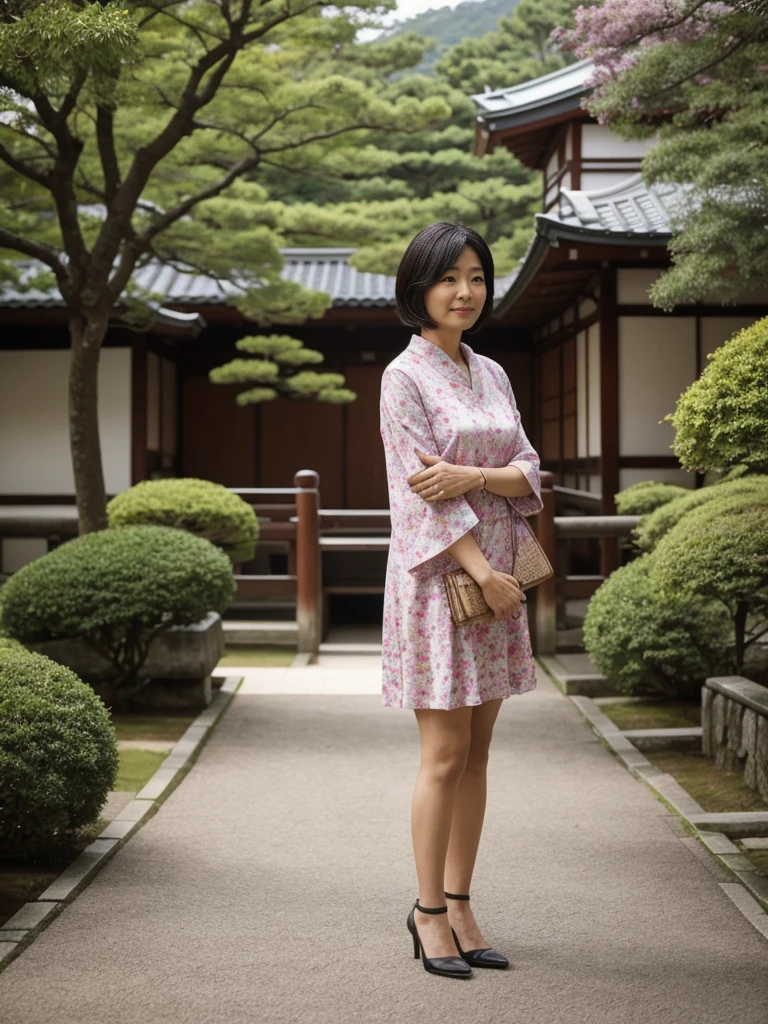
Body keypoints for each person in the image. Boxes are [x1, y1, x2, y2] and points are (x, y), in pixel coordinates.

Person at [379, 221, 544, 979]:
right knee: (444, 755)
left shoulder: (494, 372)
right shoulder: (402, 378)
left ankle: (463, 899)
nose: (465, 292)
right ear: (420, 287)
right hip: (446, 580)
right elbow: (420, 497)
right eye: (449, 278)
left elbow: (529, 470)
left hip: (500, 575)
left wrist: (476, 475)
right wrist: (483, 572)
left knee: (479, 754)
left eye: (476, 276)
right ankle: (427, 912)